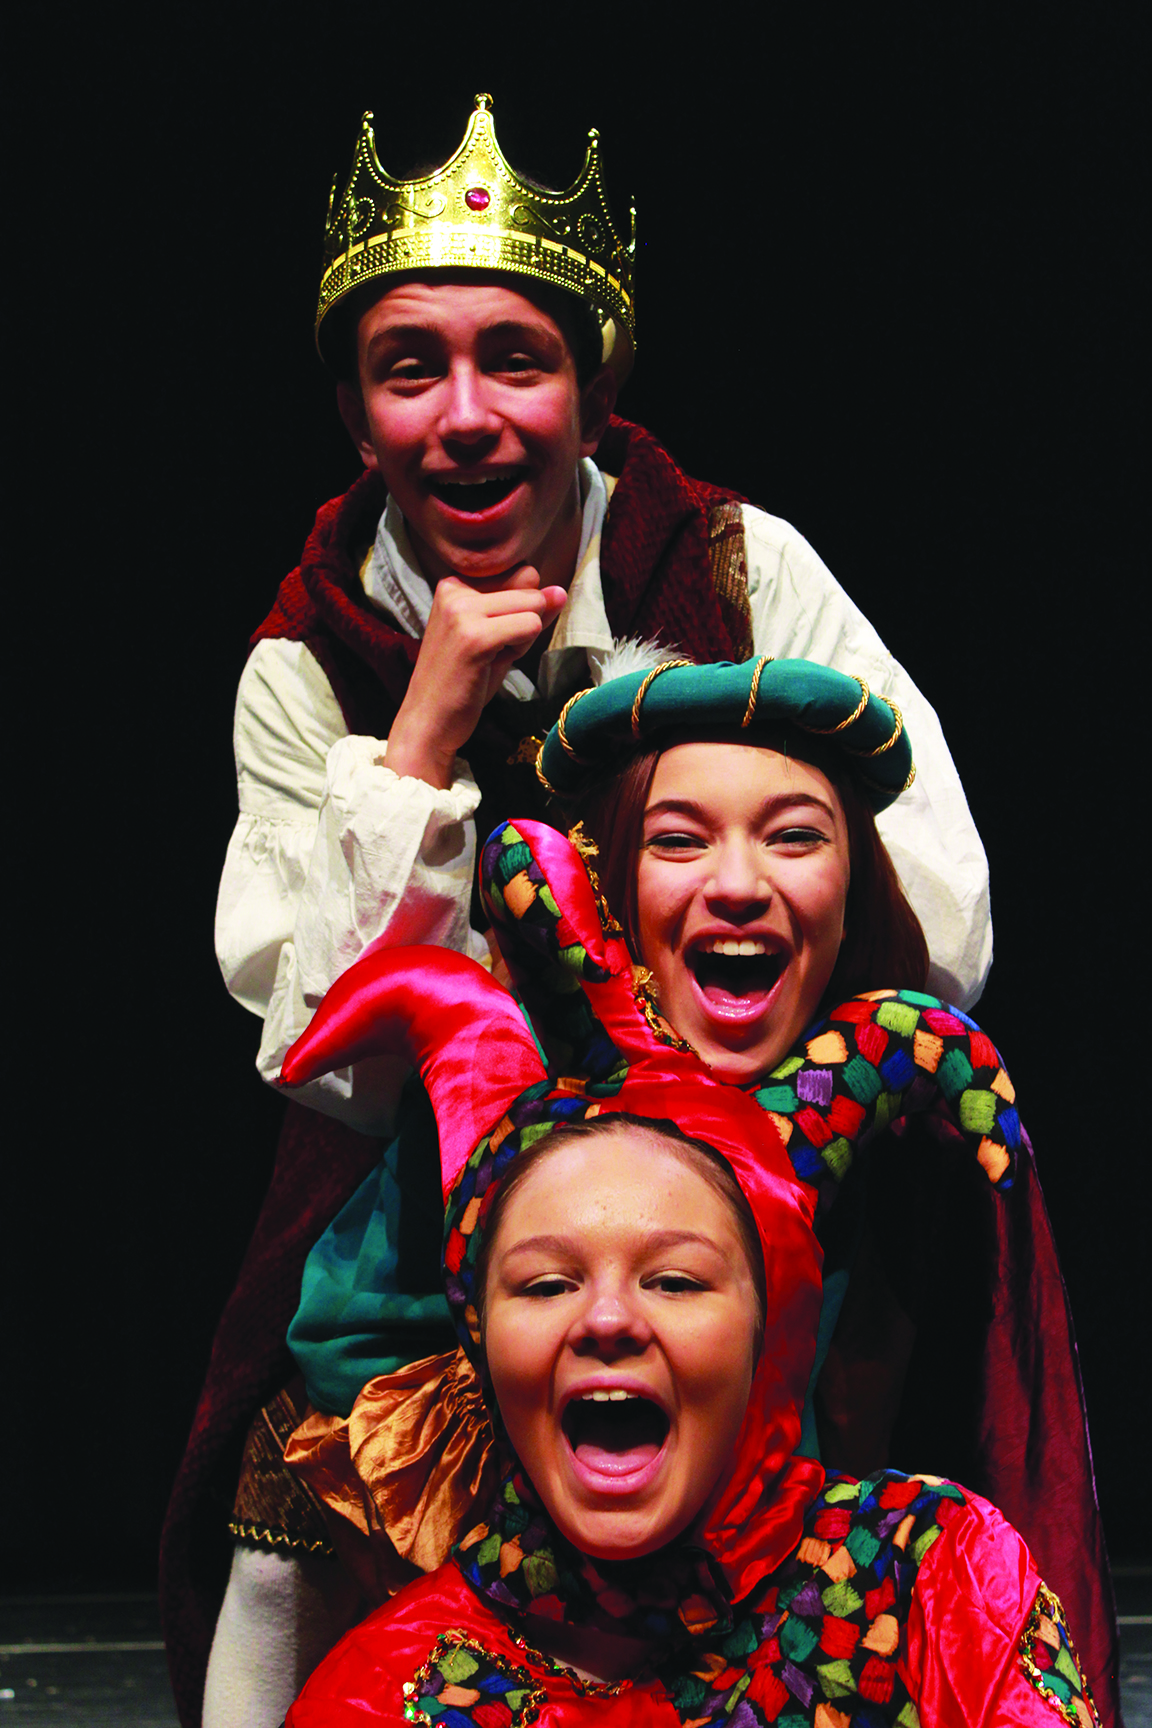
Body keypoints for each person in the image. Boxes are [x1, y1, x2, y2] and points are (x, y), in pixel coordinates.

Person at [165, 94, 994, 1724]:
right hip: (435, 1219)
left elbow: (942, 915)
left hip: (734, 1179)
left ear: (596, 388)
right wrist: (416, 739)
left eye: (516, 360)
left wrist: (719, 903)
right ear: (354, 407)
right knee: (290, 1526)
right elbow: (319, 1054)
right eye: (412, 367)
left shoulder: (738, 575)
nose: (465, 416)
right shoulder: (308, 656)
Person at [276, 662, 1117, 1721]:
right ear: (615, 888)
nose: (737, 882)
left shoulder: (901, 1145)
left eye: (796, 836)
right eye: (679, 839)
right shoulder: (511, 1130)